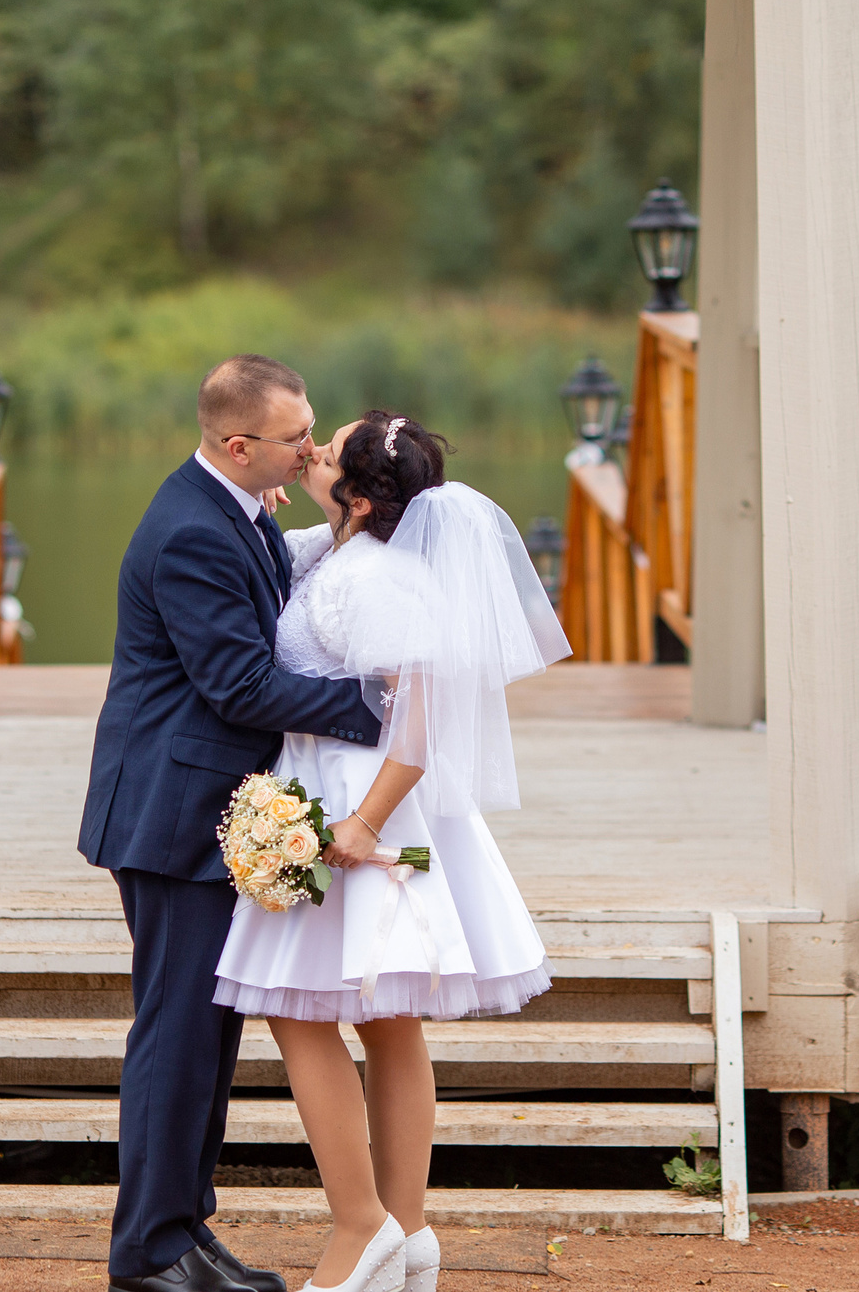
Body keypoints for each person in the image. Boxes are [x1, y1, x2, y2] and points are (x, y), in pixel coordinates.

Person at [213, 414, 569, 1292]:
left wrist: (363, 824)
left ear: (363, 497)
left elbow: (420, 718)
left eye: (325, 452)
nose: (311, 454)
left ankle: (358, 1224)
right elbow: (269, 532)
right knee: (384, 1017)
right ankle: (408, 1232)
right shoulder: (341, 551)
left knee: (299, 1010)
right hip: (335, 781)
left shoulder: (377, 578)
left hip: (361, 801)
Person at [81, 355, 388, 1292]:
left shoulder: (239, 510)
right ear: (238, 442)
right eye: (297, 436)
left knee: (207, 1035)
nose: (309, 449)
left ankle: (185, 1231)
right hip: (172, 815)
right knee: (176, 1032)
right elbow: (240, 683)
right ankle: (148, 1252)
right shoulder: (189, 532)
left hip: (204, 805)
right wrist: (379, 708)